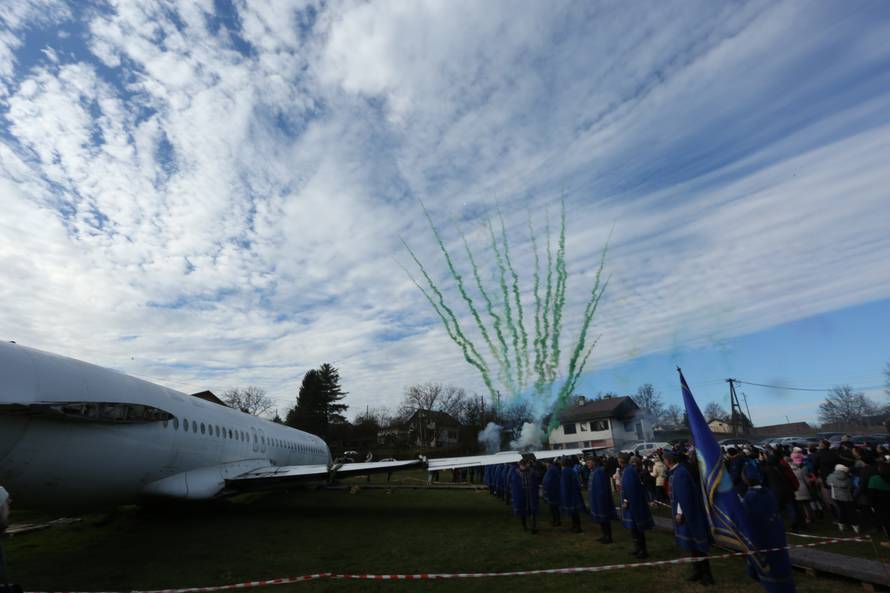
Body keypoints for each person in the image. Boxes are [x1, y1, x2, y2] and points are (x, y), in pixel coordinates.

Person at [740, 463, 795, 593]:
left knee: (769, 568)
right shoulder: (767, 492)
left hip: (761, 537)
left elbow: (748, 520)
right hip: (776, 535)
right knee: (779, 564)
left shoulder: (751, 497)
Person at [664, 450, 714, 584]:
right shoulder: (676, 472)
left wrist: (680, 513)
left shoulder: (680, 474)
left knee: (698, 545)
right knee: (693, 546)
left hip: (690, 514)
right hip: (686, 513)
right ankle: (697, 571)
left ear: (668, 461)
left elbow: (684, 497)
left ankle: (706, 575)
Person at [619, 453, 654, 558]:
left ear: (621, 461)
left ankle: (642, 551)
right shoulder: (627, 470)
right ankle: (638, 548)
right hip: (633, 503)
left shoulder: (629, 471)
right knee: (634, 529)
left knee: (638, 529)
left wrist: (626, 500)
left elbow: (629, 488)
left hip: (633, 504)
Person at [827, 464, 859, 533]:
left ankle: (841, 525)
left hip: (836, 496)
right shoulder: (848, 477)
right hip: (847, 496)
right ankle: (855, 526)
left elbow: (828, 483)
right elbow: (851, 485)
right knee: (851, 511)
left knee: (841, 510)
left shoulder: (831, 476)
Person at [511, 458, 540, 533]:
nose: (523, 466)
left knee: (532, 511)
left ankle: (533, 527)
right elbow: (514, 484)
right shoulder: (516, 473)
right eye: (522, 465)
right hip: (521, 494)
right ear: (519, 465)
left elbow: (536, 479)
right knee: (522, 511)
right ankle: (524, 526)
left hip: (531, 494)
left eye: (525, 465)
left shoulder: (532, 471)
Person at [560, 456, 585, 533]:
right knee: (574, 512)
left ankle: (577, 527)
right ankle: (575, 526)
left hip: (570, 494)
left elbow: (565, 485)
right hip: (573, 493)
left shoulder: (565, 471)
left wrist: (564, 494)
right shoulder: (571, 470)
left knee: (574, 512)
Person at [543, 459, 563, 527]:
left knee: (554, 507)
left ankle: (557, 521)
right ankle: (554, 520)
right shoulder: (551, 469)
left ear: (549, 463)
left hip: (553, 491)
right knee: (552, 507)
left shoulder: (552, 469)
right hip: (551, 491)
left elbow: (550, 480)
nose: (545, 464)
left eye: (546, 463)